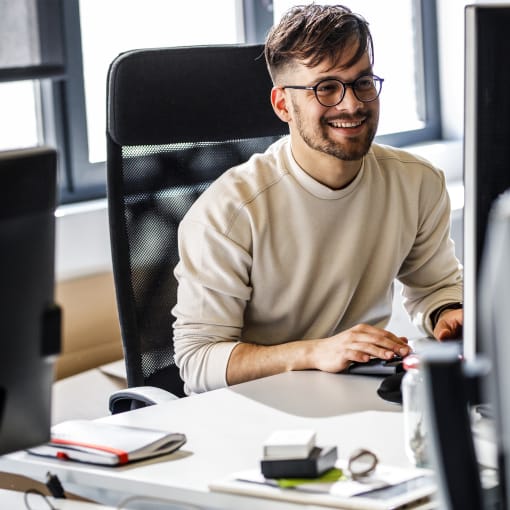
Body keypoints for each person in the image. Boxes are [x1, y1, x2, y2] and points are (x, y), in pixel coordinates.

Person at [172, 3, 463, 395]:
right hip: (257, 411)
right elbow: (198, 361)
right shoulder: (229, 213)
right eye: (326, 87)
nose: (352, 104)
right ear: (282, 105)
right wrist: (314, 353)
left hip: (360, 396)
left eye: (362, 81)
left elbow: (434, 287)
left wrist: (449, 314)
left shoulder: (417, 183)